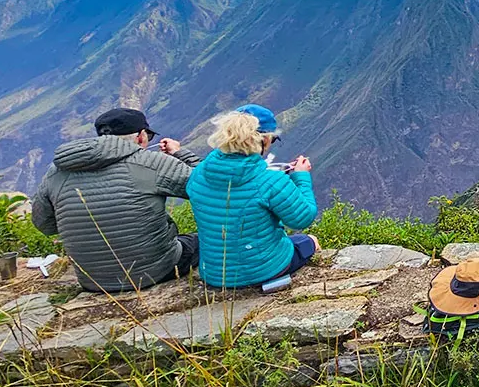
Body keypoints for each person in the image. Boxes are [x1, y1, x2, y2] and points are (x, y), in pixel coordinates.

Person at [30, 108, 201, 293]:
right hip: (154, 271)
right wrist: (180, 153)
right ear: (140, 136)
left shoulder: (55, 171)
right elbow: (211, 186)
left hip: (92, 282)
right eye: (148, 135)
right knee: (202, 240)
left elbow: (43, 224)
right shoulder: (151, 162)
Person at [186, 105, 320, 289]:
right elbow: (303, 218)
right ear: (264, 140)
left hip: (214, 274)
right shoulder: (270, 181)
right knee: (307, 241)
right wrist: (301, 177)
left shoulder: (199, 174)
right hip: (264, 270)